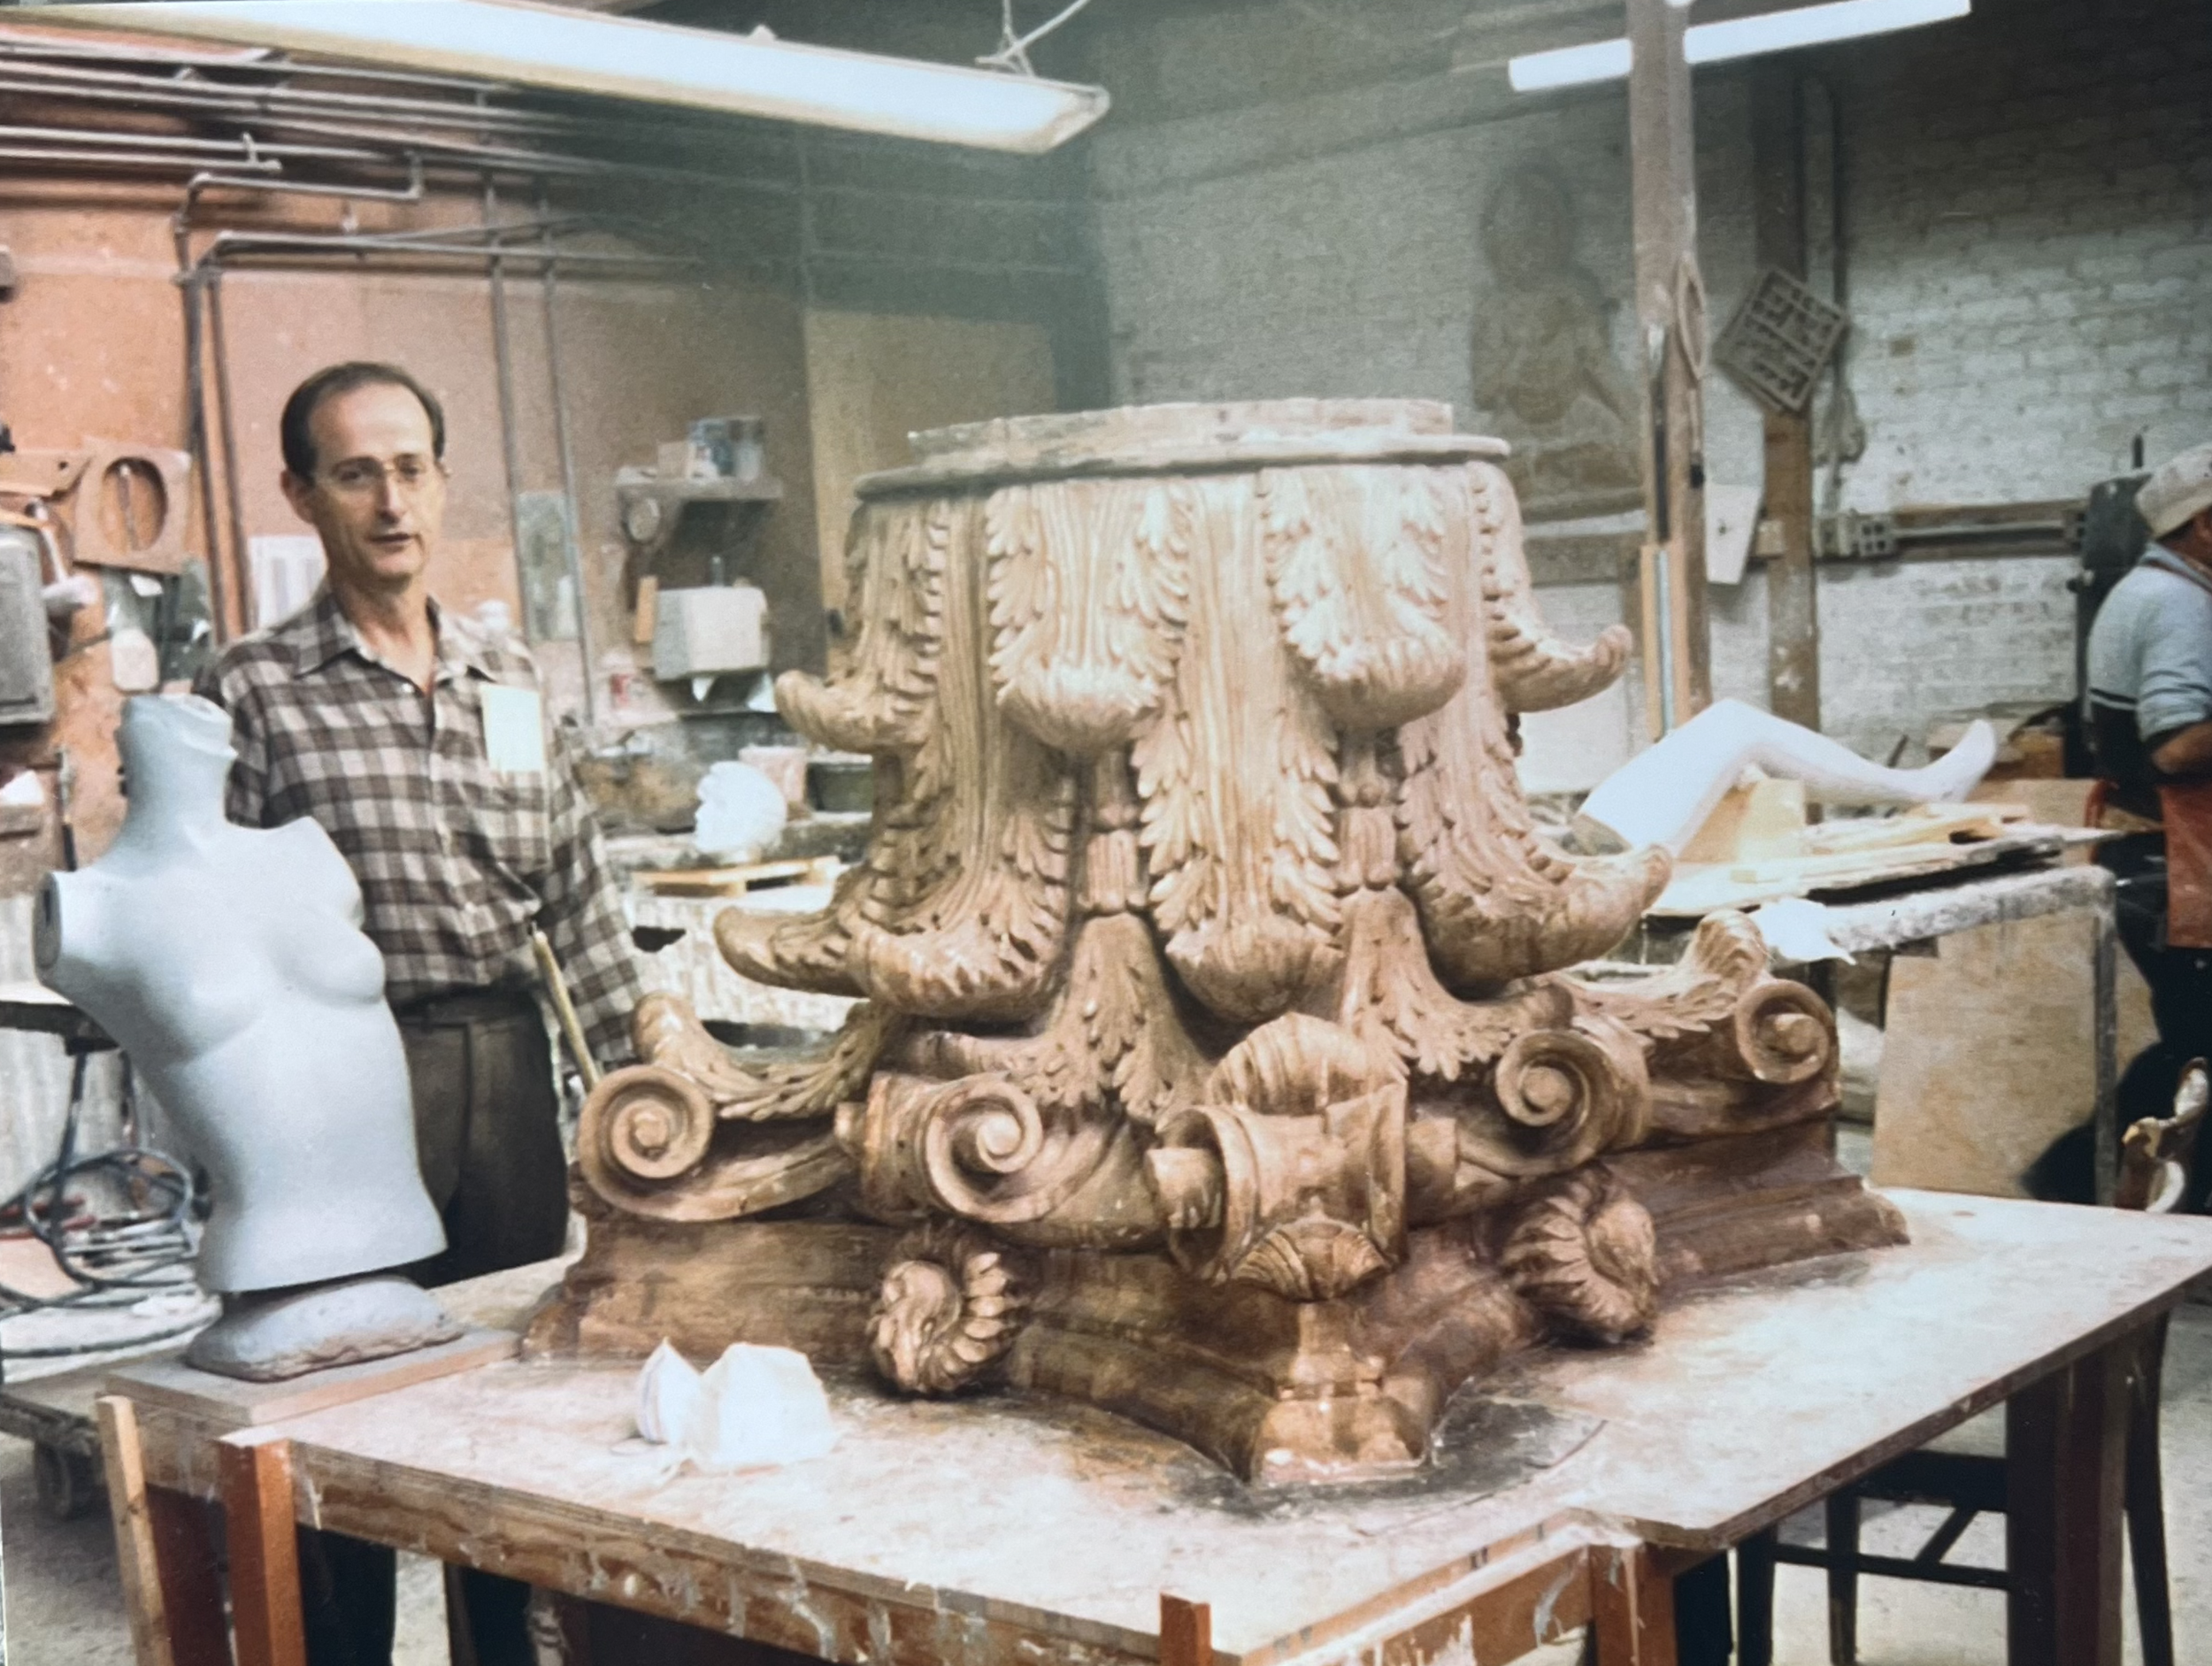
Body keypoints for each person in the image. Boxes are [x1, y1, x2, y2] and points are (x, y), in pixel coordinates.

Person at [195, 361, 643, 1666]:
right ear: (303, 494)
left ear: (441, 479)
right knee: (347, 1409)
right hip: (339, 1089)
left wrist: (646, 1072)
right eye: (355, 472)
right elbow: (214, 934)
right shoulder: (256, 689)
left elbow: (576, 898)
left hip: (506, 1070)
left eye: (412, 466)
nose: (392, 501)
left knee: (505, 1401)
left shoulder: (510, 677)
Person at [2087, 440, 2212, 1207]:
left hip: (2156, 857)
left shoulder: (2154, 591)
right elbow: (2175, 745)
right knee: (2195, 1057)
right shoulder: (2178, 604)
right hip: (2174, 865)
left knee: (2190, 1049)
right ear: (2204, 525)